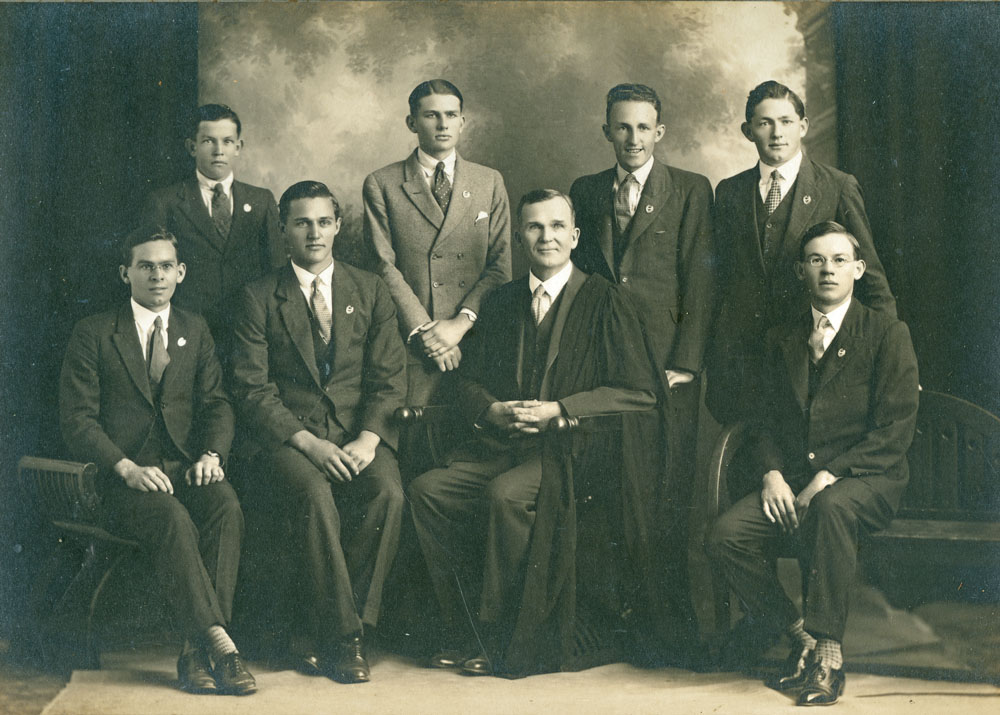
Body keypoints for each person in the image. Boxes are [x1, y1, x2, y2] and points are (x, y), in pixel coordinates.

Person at [408, 189, 663, 677]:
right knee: (428, 491)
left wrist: (560, 409)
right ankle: (460, 627)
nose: (546, 237)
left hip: (572, 450)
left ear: (575, 235)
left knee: (506, 496)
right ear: (521, 236)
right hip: (502, 442)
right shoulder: (502, 302)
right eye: (534, 227)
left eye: (556, 226)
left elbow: (640, 393)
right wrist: (491, 409)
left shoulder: (606, 301)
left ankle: (499, 635)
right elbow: (468, 381)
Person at [705, 221, 919, 706]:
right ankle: (799, 634)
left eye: (839, 260)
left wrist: (830, 474)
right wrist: (771, 474)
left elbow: (895, 430)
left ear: (858, 270)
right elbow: (762, 420)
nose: (828, 270)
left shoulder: (887, 333)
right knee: (726, 536)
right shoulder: (782, 336)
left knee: (831, 509)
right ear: (801, 270)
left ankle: (828, 656)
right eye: (817, 260)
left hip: (868, 478)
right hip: (795, 480)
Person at [59, 227, 256, 695]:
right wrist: (125, 466)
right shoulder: (93, 333)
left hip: (184, 470)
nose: (156, 275)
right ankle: (222, 649)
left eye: (166, 266)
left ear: (181, 272)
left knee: (225, 504)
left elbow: (217, 404)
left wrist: (212, 453)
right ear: (125, 272)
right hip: (118, 482)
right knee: (170, 517)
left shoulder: (195, 327)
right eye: (145, 266)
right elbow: (78, 421)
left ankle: (194, 653)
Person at [230, 181, 407, 684]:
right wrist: (310, 443)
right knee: (312, 491)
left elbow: (390, 378)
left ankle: (336, 625)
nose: (314, 233)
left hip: (358, 434)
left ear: (338, 226)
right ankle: (344, 639)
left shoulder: (369, 288)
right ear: (283, 229)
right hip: (289, 439)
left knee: (389, 493)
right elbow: (251, 389)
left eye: (324, 221)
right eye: (302, 222)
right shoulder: (258, 296)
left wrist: (368, 439)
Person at [570, 82, 715, 648]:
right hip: (604, 363)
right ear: (607, 131)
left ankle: (665, 625)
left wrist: (687, 361)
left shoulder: (689, 189)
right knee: (607, 486)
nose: (632, 138)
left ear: (660, 132)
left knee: (663, 490)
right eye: (621, 127)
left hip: (663, 366)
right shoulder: (584, 189)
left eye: (642, 128)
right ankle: (612, 620)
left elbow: (701, 280)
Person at [707, 81, 897, 425]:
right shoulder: (729, 192)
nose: (776, 133)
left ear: (803, 127)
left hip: (807, 359)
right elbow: (716, 282)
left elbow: (870, 279)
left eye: (786, 121)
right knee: (746, 467)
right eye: (764, 123)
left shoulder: (837, 186)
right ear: (748, 131)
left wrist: (893, 358)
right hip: (740, 364)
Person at [362, 79, 511, 418]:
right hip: (415, 343)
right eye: (431, 115)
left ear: (463, 122)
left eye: (451, 114)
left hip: (477, 337)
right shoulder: (382, 183)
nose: (443, 124)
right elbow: (383, 266)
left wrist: (460, 323)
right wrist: (427, 332)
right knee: (418, 431)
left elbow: (500, 266)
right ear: (412, 123)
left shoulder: (489, 181)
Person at [143, 103, 283, 360]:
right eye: (209, 141)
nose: (219, 151)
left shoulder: (261, 200)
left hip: (249, 328)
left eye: (227, 141)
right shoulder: (166, 201)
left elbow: (275, 268)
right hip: (188, 326)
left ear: (238, 147)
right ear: (192, 147)